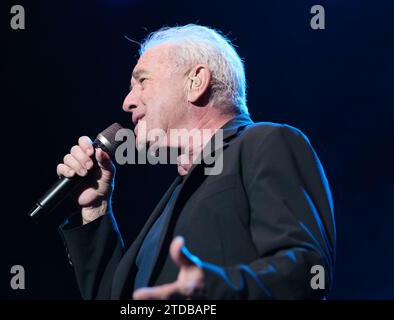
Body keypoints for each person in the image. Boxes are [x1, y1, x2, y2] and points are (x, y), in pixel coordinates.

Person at [57, 24, 336, 299]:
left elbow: (307, 271)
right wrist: (95, 208)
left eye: (142, 81)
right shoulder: (174, 197)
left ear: (196, 82)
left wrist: (212, 292)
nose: (127, 101)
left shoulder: (265, 142)